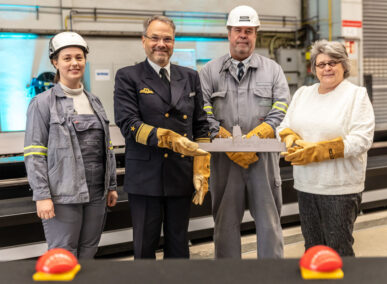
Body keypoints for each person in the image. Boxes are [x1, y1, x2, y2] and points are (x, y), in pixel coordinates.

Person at [113, 15, 210, 259]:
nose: (161, 44)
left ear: (174, 42)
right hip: (146, 177)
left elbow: (201, 125)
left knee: (179, 245)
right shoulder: (128, 76)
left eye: (167, 39)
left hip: (180, 174)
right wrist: (169, 138)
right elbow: (128, 123)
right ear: (143, 41)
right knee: (145, 246)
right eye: (154, 38)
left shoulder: (189, 76)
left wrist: (202, 168)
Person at [199, 5, 290, 259]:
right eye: (238, 30)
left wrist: (258, 136)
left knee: (269, 223)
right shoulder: (209, 72)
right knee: (225, 225)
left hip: (264, 158)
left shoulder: (273, 70)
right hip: (224, 159)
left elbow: (282, 105)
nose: (243, 35)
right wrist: (228, 143)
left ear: (255, 34)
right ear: (229, 33)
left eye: (249, 30)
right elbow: (202, 112)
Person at [24, 32, 118, 258]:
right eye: (67, 58)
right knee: (63, 253)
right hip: (62, 194)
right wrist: (42, 195)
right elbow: (35, 153)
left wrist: (112, 184)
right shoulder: (42, 103)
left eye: (79, 57)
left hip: (97, 191)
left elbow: (107, 147)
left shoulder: (93, 100)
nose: (74, 63)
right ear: (55, 62)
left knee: (89, 250)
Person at [277, 40, 375, 256]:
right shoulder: (303, 94)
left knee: (338, 250)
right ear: (314, 68)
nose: (327, 68)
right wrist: (290, 137)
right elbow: (284, 126)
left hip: (339, 188)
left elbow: (362, 140)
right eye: (321, 64)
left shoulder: (356, 95)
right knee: (312, 250)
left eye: (333, 62)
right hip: (306, 185)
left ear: (343, 65)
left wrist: (318, 151)